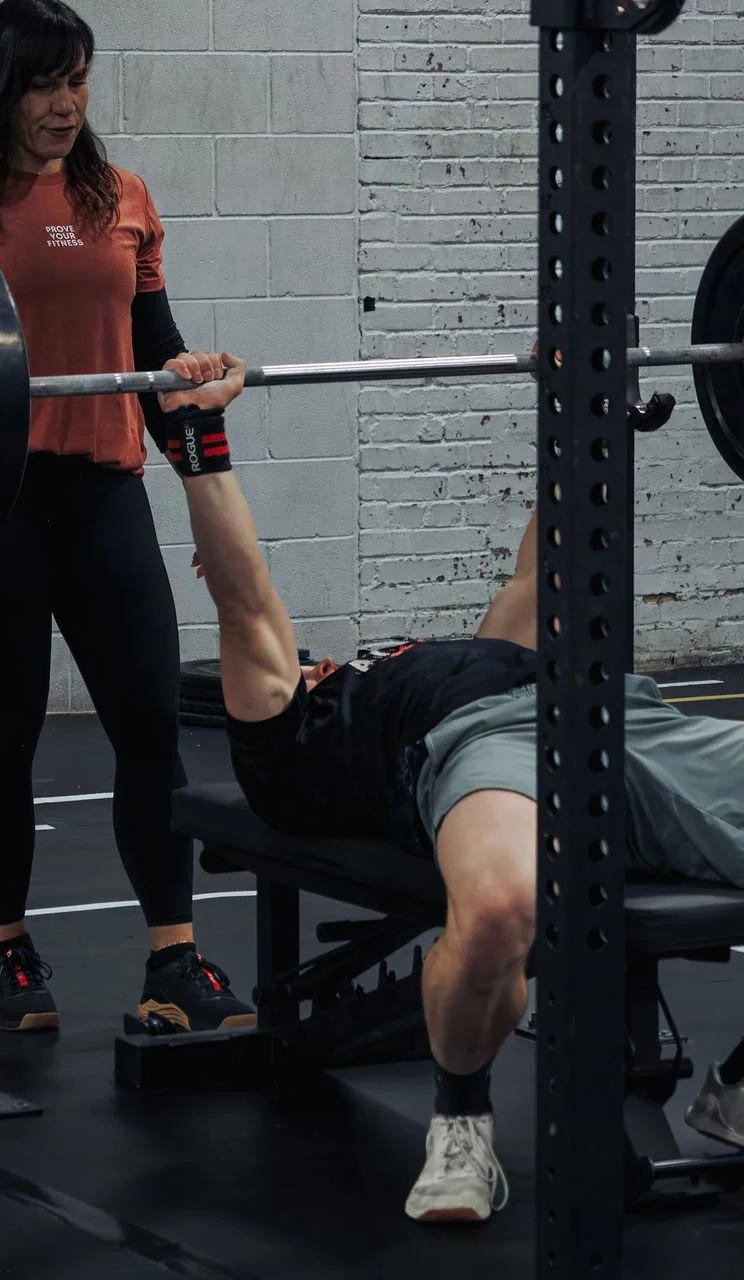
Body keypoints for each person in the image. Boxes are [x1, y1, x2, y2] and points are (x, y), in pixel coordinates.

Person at [154, 347, 744, 1223]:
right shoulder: (291, 732)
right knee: (504, 910)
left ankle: (735, 1093)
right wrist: (200, 430)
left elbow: (539, 565)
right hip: (482, 750)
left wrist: (580, 409)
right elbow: (244, 600)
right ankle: (461, 1124)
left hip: (612, 716)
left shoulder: (457, 652)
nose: (310, 655)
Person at [0, 0, 253, 1035]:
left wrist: (194, 387)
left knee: (148, 731)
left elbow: (153, 351)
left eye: (78, 79)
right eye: (45, 82)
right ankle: (5, 948)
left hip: (102, 497)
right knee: (4, 738)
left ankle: (172, 961)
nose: (64, 102)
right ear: (1, 84)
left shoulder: (119, 194)